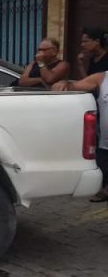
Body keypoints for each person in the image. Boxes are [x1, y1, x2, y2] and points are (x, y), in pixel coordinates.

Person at [53, 71, 108, 202]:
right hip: (106, 144)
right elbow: (75, 86)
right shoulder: (102, 78)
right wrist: (64, 84)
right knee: (103, 167)